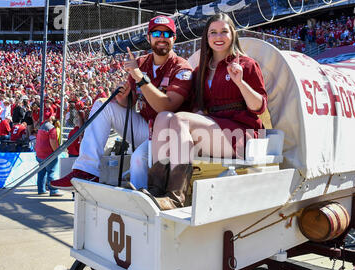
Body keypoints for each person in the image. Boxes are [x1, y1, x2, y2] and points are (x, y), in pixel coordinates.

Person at [51, 15, 193, 191]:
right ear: (148, 38)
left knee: (138, 158)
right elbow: (130, 103)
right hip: (145, 128)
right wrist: (123, 99)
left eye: (167, 33)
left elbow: (167, 106)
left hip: (168, 135)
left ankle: (142, 200)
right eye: (156, 33)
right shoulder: (141, 62)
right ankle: (87, 170)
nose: (162, 37)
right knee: (103, 104)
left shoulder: (182, 67)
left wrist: (139, 77)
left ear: (174, 38)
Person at [142, 13, 268, 210]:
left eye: (224, 31)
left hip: (241, 134)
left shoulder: (246, 64)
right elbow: (198, 106)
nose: (218, 37)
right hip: (213, 130)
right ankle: (155, 190)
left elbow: (259, 107)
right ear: (206, 37)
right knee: (164, 117)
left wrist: (240, 82)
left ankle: (175, 197)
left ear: (233, 34)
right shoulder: (201, 69)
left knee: (181, 120)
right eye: (213, 32)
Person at [35, 115, 63, 196]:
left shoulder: (41, 127)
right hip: (48, 154)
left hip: (39, 153)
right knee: (52, 172)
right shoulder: (52, 129)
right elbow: (53, 141)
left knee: (41, 172)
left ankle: (41, 189)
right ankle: (53, 191)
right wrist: (57, 151)